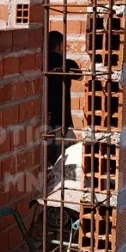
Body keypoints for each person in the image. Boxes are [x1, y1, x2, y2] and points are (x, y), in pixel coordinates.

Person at [46, 30, 82, 167]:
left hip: (44, 120)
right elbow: (80, 76)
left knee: (48, 162)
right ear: (60, 45)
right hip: (62, 121)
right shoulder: (66, 63)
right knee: (67, 163)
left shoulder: (41, 63)